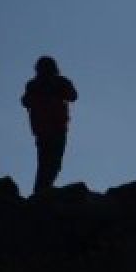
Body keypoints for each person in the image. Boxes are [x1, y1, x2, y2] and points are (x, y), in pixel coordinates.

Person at [20, 56, 78, 194]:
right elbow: (73, 96)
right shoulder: (50, 83)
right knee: (51, 163)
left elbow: (25, 101)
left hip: (46, 129)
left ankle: (41, 191)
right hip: (53, 128)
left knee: (47, 162)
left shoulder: (35, 84)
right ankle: (42, 192)